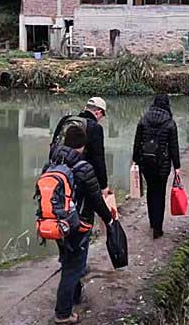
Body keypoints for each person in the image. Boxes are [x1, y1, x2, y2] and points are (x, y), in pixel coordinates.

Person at [47, 125, 114, 324]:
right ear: (83, 146)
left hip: (56, 223)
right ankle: (63, 313)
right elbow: (95, 199)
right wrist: (109, 219)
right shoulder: (84, 168)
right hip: (78, 225)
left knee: (68, 261)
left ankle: (74, 298)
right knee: (73, 268)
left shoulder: (52, 162)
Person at [132, 95, 181, 239]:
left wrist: (135, 160)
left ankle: (152, 222)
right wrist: (177, 166)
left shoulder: (143, 120)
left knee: (150, 191)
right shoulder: (170, 123)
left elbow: (137, 142)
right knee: (160, 193)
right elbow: (173, 146)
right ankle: (158, 228)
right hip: (162, 164)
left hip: (146, 163)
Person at [52, 97, 109, 194]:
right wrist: (103, 186)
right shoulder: (95, 127)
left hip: (57, 171)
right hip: (81, 176)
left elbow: (54, 144)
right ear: (98, 112)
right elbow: (98, 159)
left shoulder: (66, 120)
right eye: (102, 115)